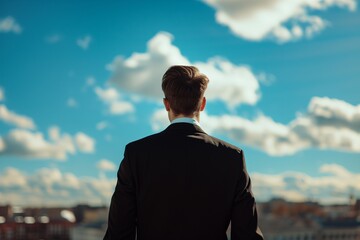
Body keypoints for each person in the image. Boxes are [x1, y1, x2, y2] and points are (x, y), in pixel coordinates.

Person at [104, 65, 264, 240]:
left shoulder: (136, 153)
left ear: (166, 104)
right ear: (202, 103)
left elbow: (119, 233)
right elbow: (247, 235)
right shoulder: (232, 157)